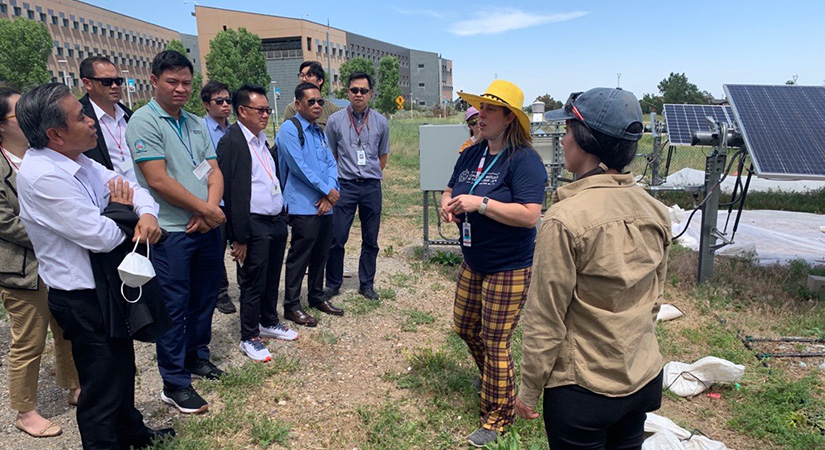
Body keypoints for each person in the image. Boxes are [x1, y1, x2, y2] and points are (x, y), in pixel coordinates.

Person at [16, 82, 173, 450]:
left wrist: (146, 212)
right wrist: (123, 211)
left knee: (122, 367)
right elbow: (101, 235)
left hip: (107, 282)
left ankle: (132, 434)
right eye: (81, 117)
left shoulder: (78, 160)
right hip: (81, 295)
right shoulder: (43, 176)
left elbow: (132, 188)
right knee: (100, 381)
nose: (91, 122)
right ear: (55, 134)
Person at [515, 88, 671, 450]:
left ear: (585, 142)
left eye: (568, 131)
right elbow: (654, 298)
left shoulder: (564, 220)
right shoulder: (655, 210)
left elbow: (545, 318)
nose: (564, 140)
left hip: (583, 389)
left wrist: (528, 389)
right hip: (642, 377)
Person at [440, 80, 547, 447]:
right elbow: (452, 188)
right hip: (475, 259)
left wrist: (480, 204)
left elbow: (531, 214)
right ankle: (496, 381)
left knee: (495, 339)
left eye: (489, 110)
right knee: (464, 326)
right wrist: (448, 202)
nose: (479, 115)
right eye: (479, 108)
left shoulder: (524, 160)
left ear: (508, 119)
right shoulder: (472, 152)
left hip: (509, 264)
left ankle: (497, 419)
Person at [126, 50, 225, 414]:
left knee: (205, 298)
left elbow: (213, 172)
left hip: (204, 226)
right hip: (171, 232)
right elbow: (157, 180)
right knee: (174, 308)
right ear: (154, 81)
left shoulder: (197, 123)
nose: (181, 89)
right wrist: (205, 210)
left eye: (186, 82)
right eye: (172, 82)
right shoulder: (144, 122)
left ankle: (197, 356)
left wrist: (210, 211)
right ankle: (174, 382)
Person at [0, 87, 80, 439]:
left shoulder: (42, 155)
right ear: (2, 125)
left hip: (57, 262)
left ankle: (75, 387)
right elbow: (5, 222)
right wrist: (54, 233)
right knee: (28, 342)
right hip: (23, 269)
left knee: (67, 331)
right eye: (20, 113)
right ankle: (25, 410)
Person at [217, 84, 297, 363]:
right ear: (242, 111)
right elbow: (231, 192)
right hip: (253, 223)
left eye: (267, 110)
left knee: (272, 275)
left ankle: (268, 320)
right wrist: (237, 237)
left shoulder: (261, 139)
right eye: (260, 110)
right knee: (252, 281)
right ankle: (249, 335)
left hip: (275, 220)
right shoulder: (232, 142)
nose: (265, 115)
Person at [277, 82, 341, 327]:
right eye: (311, 101)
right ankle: (292, 305)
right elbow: (298, 167)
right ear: (298, 104)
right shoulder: (289, 130)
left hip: (325, 205)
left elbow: (330, 163)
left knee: (321, 253)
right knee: (299, 256)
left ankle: (316, 295)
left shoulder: (318, 131)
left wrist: (330, 194)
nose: (316, 106)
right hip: (303, 205)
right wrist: (326, 190)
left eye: (320, 101)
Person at [324, 71, 389, 303]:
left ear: (370, 93)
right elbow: (331, 155)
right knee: (337, 236)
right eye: (354, 90)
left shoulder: (381, 122)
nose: (358, 94)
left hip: (371, 186)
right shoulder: (335, 121)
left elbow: (382, 157)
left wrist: (370, 174)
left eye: (363, 90)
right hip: (345, 186)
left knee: (370, 238)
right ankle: (332, 283)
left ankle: (367, 284)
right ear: (348, 92)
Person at [201, 80, 236, 315]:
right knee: (217, 248)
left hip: (237, 198)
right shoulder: (200, 130)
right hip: (215, 199)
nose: (225, 105)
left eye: (228, 101)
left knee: (242, 242)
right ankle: (220, 292)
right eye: (219, 101)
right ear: (206, 104)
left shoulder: (235, 129)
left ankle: (247, 284)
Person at [79, 56, 138, 185]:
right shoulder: (78, 119)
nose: (115, 86)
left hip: (142, 193)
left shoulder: (130, 116)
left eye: (118, 81)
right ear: (88, 83)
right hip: (108, 197)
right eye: (107, 81)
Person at [283, 61, 340, 130]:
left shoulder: (332, 110)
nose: (304, 79)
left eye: (309, 75)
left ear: (320, 80)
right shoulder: (292, 109)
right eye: (302, 75)